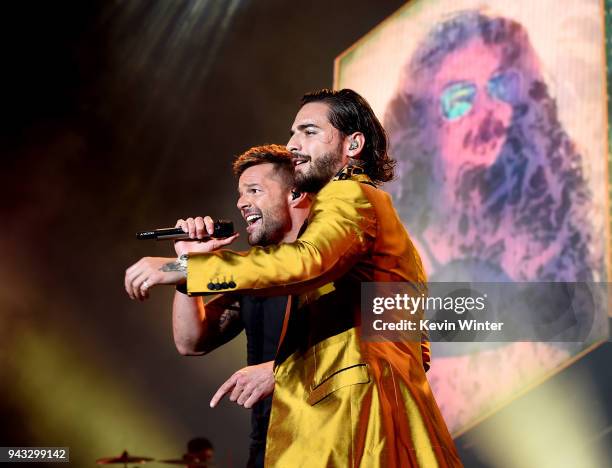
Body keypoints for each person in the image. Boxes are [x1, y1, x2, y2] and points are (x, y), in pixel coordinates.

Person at [125, 89, 462, 467]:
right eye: (293, 133)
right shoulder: (325, 243)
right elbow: (192, 342)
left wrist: (179, 269)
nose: (293, 144)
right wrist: (189, 263)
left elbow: (307, 261)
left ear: (353, 143)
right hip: (321, 429)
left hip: (351, 426)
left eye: (308, 132)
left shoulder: (351, 194)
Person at [128, 145, 310, 468]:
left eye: (254, 190)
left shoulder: (352, 256)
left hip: (335, 449)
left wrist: (280, 373)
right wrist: (190, 266)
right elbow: (191, 342)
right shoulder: (252, 273)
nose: (241, 203)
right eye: (240, 194)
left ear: (295, 193)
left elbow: (403, 353)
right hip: (267, 452)